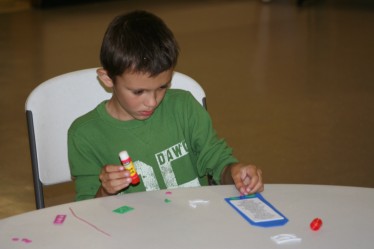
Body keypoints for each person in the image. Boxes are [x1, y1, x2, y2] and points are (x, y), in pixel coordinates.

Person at [68, 10, 263, 201]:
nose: (152, 102)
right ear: (107, 79)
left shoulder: (184, 107)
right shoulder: (85, 135)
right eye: (138, 92)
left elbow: (218, 161)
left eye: (162, 87)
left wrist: (235, 172)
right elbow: (88, 208)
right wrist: (106, 191)